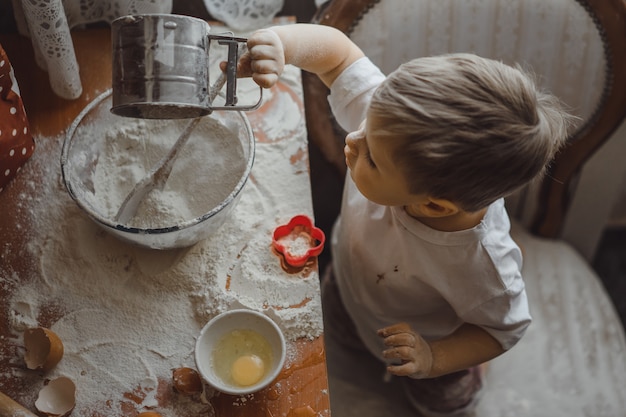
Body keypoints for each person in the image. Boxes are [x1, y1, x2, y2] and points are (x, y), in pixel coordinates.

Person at [237, 24, 572, 416]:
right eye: (365, 128)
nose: (353, 139)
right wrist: (283, 44)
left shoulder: (482, 265)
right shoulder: (390, 127)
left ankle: (450, 386)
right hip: (348, 287)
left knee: (441, 401)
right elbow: (339, 55)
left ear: (434, 207)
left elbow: (503, 329)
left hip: (427, 342)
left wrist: (434, 358)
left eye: (372, 159)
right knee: (341, 336)